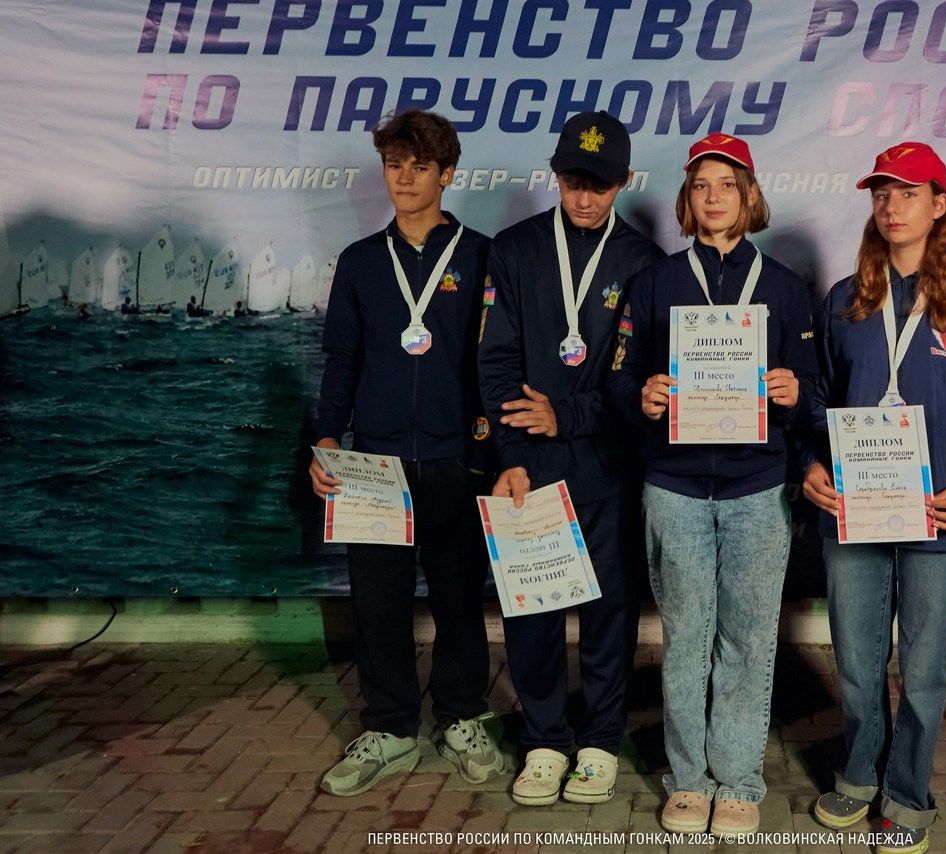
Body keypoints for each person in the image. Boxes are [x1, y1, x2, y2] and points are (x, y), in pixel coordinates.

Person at [801, 142, 946, 853]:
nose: (891, 206)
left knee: (924, 671)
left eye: (907, 192)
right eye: (881, 193)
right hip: (854, 508)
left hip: (936, 512)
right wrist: (811, 463)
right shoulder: (845, 300)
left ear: (939, 203)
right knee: (857, 660)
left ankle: (907, 794)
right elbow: (815, 399)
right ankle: (859, 772)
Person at [607, 133, 817, 838]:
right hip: (674, 486)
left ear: (749, 196)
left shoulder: (783, 287)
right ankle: (688, 780)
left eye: (728, 184)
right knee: (687, 636)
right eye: (701, 185)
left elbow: (813, 387)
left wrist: (794, 391)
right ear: (687, 200)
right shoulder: (655, 282)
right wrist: (642, 395)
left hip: (758, 487)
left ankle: (739, 781)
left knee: (749, 640)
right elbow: (618, 376)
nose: (714, 196)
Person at [309, 109, 501, 797]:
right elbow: (341, 359)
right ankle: (390, 727)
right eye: (395, 165)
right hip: (375, 463)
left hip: (458, 457)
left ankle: (462, 716)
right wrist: (327, 439)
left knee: (459, 597)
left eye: (421, 166)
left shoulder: (483, 257)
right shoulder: (361, 262)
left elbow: (499, 361)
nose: (406, 178)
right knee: (378, 602)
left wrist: (502, 450)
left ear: (447, 174)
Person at [477, 110, 664, 806]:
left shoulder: (643, 262)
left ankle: (600, 740)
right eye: (573, 181)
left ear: (624, 182)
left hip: (609, 463)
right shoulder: (515, 250)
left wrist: (570, 415)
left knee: (611, 609)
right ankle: (545, 740)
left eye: (600, 185)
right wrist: (510, 453)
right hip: (529, 463)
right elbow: (495, 362)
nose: (584, 197)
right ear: (554, 175)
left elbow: (634, 382)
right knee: (532, 610)